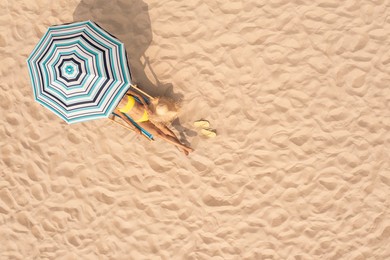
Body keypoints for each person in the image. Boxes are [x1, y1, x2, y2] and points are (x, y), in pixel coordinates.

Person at [114, 88, 194, 155]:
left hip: (147, 112)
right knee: (159, 135)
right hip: (140, 121)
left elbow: (138, 95)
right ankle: (183, 147)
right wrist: (134, 128)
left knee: (165, 129)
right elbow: (124, 117)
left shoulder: (123, 92)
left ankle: (181, 146)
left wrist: (145, 105)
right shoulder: (114, 107)